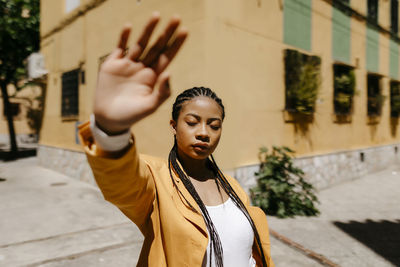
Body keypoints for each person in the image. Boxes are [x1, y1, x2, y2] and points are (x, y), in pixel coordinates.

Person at [79, 12, 274, 267]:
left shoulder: (233, 187)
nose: (204, 132)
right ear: (174, 126)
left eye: (214, 125)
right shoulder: (155, 180)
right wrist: (112, 129)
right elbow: (121, 184)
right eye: (192, 122)